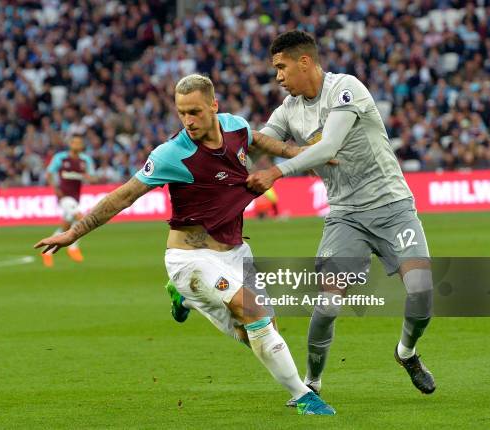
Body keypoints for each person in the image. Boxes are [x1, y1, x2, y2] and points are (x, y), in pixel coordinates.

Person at [35, 74, 336, 415]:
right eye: (182, 113)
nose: (188, 121)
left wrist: (298, 153)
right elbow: (124, 196)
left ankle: (187, 301)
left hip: (236, 251)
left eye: (195, 111)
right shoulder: (172, 154)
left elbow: (262, 141)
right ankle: (303, 396)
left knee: (257, 330)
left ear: (213, 106)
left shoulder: (235, 126)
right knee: (250, 310)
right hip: (190, 257)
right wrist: (73, 233)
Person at [245, 31, 436, 405]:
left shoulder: (346, 89)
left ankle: (406, 353)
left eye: (282, 67)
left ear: (305, 62)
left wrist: (278, 172)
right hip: (346, 217)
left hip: (393, 207)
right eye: (275, 70)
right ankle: (311, 382)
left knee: (421, 292)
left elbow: (329, 146)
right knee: (328, 304)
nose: (278, 77)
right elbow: (257, 145)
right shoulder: (287, 111)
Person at [43, 135, 97, 267]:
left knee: (66, 227)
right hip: (63, 196)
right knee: (80, 217)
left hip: (76, 197)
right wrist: (55, 189)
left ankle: (47, 252)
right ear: (70, 144)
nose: (77, 145)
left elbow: (94, 178)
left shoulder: (85, 160)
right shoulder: (60, 158)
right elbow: (49, 173)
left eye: (79, 143)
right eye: (75, 142)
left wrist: (87, 177)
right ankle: (73, 248)